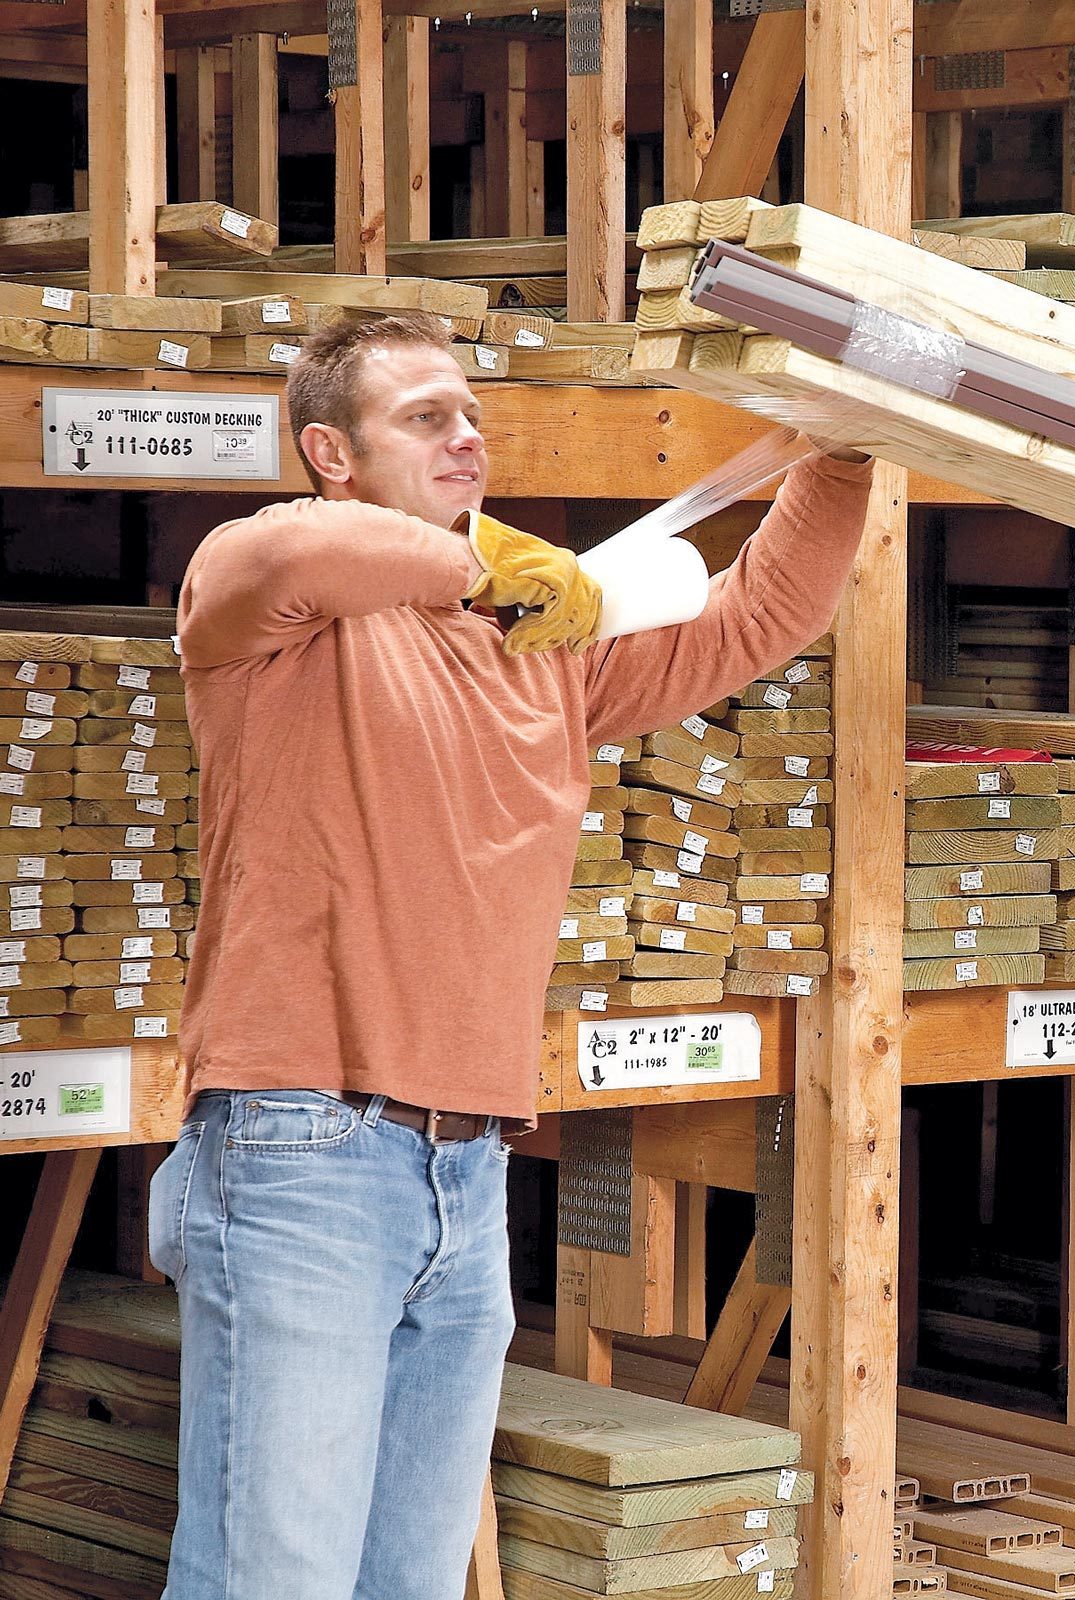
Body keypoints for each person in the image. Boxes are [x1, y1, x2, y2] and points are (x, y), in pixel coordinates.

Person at [149, 312, 873, 1600]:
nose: (466, 437)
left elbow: (757, 615)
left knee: (407, 1581)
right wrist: (494, 577)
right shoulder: (270, 610)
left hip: (467, 1167)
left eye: (470, 415)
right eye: (425, 418)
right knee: (276, 1580)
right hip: (297, 1147)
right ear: (330, 451)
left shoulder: (548, 650)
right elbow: (303, 552)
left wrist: (850, 447)